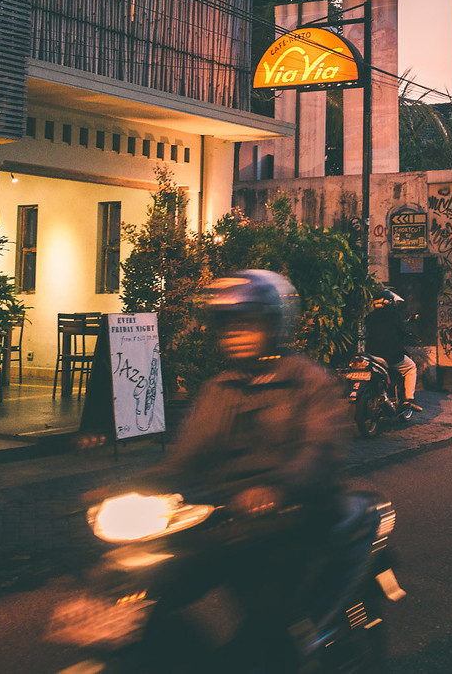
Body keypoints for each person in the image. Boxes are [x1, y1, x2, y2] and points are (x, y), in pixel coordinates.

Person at [141, 269, 349, 668]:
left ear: (273, 325)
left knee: (264, 627)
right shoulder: (219, 388)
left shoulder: (308, 382)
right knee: (152, 589)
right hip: (227, 521)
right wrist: (138, 486)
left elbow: (318, 452)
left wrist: (276, 488)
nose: (234, 332)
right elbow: (187, 456)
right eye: (226, 324)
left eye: (246, 322)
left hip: (295, 519)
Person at [364, 287, 420, 411]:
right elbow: (400, 336)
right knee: (411, 368)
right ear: (389, 302)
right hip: (391, 355)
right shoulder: (395, 316)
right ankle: (408, 399)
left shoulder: (369, 317)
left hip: (372, 355)